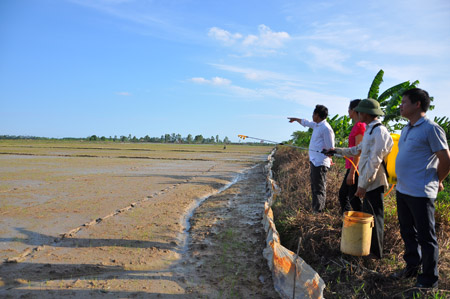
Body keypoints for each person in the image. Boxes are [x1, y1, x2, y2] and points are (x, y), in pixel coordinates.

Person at [391, 88, 450, 291]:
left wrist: (438, 180)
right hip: (403, 189)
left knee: (426, 237)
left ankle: (428, 280)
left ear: (417, 104)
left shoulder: (431, 128)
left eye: (404, 102)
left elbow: (446, 160)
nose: (401, 105)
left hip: (421, 192)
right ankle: (412, 267)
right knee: (408, 232)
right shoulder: (407, 128)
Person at [324, 99, 393, 258]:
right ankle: (368, 249)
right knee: (369, 216)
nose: (357, 114)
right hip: (368, 180)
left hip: (374, 181)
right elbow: (357, 150)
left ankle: (376, 254)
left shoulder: (379, 131)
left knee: (375, 218)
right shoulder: (370, 130)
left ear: (367, 113)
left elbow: (374, 161)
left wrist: (362, 185)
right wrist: (336, 151)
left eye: (360, 111)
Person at [288, 104, 335, 213]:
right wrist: (295, 119)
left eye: (313, 114)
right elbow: (306, 122)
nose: (312, 116)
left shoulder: (326, 128)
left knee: (319, 188)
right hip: (314, 161)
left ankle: (318, 212)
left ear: (317, 115)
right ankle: (315, 209)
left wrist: (329, 157)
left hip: (320, 162)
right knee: (314, 187)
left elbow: (330, 148)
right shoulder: (317, 125)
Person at [338, 99, 366, 214]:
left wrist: (352, 172)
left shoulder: (360, 126)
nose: (348, 111)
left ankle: (357, 222)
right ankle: (350, 221)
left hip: (356, 167)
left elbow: (358, 151)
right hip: (353, 166)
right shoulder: (356, 126)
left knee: (350, 196)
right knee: (348, 195)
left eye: (349, 109)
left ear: (354, 110)